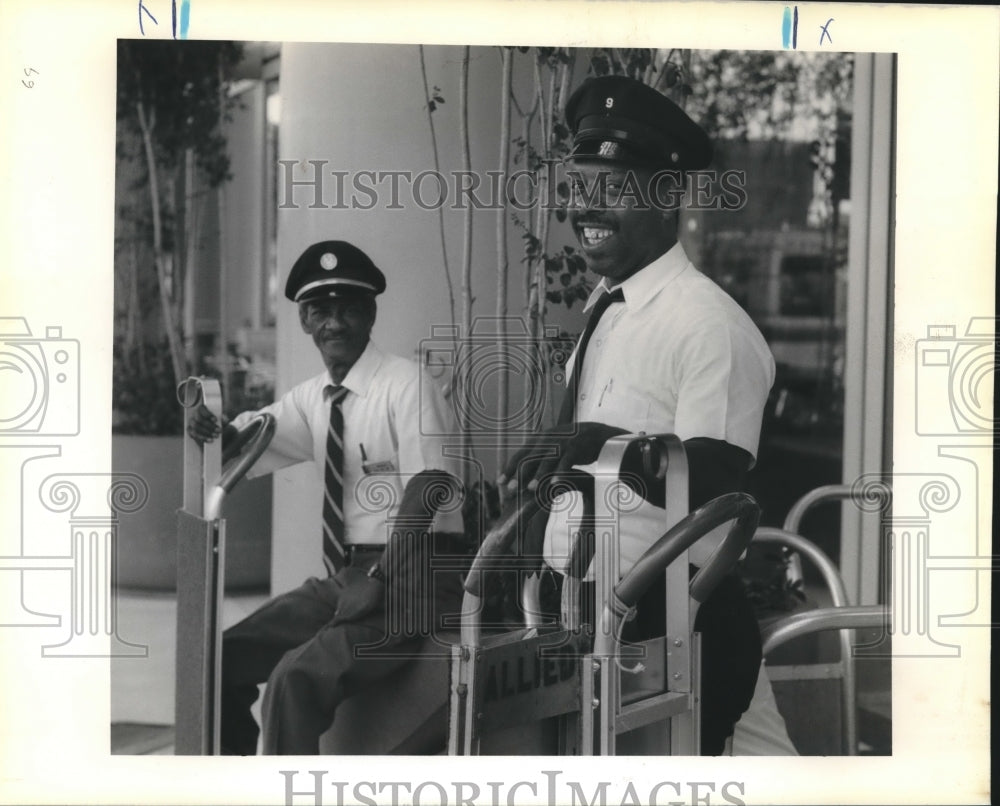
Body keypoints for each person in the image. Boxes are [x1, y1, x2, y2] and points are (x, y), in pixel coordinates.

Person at [500, 75, 787, 755]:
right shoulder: (609, 310)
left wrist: (611, 443)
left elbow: (715, 482)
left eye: (616, 187)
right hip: (586, 618)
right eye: (580, 186)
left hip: (675, 626)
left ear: (668, 200)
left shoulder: (707, 324)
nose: (587, 206)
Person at [188, 239, 469, 755]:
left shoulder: (408, 385)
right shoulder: (313, 397)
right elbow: (247, 439)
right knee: (222, 655)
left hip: (418, 579)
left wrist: (381, 577)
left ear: (370, 313)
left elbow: (431, 487)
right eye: (320, 311)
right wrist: (209, 428)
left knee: (294, 680)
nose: (333, 324)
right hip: (352, 578)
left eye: (347, 309)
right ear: (303, 320)